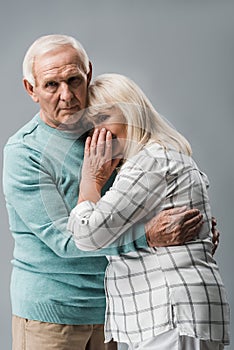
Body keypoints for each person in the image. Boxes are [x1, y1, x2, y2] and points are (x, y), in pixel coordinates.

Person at [2, 35, 207, 350]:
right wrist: (150, 237)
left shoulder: (107, 129)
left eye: (73, 80)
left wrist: (195, 231)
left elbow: (142, 199)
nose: (67, 95)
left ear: (88, 75)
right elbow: (66, 240)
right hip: (52, 318)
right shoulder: (24, 152)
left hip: (115, 309)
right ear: (32, 90)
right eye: (51, 85)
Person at [67, 73, 230, 349]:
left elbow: (86, 234)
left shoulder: (148, 162)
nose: (99, 134)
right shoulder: (164, 155)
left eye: (104, 117)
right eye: (91, 126)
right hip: (173, 312)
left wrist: (90, 181)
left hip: (170, 312)